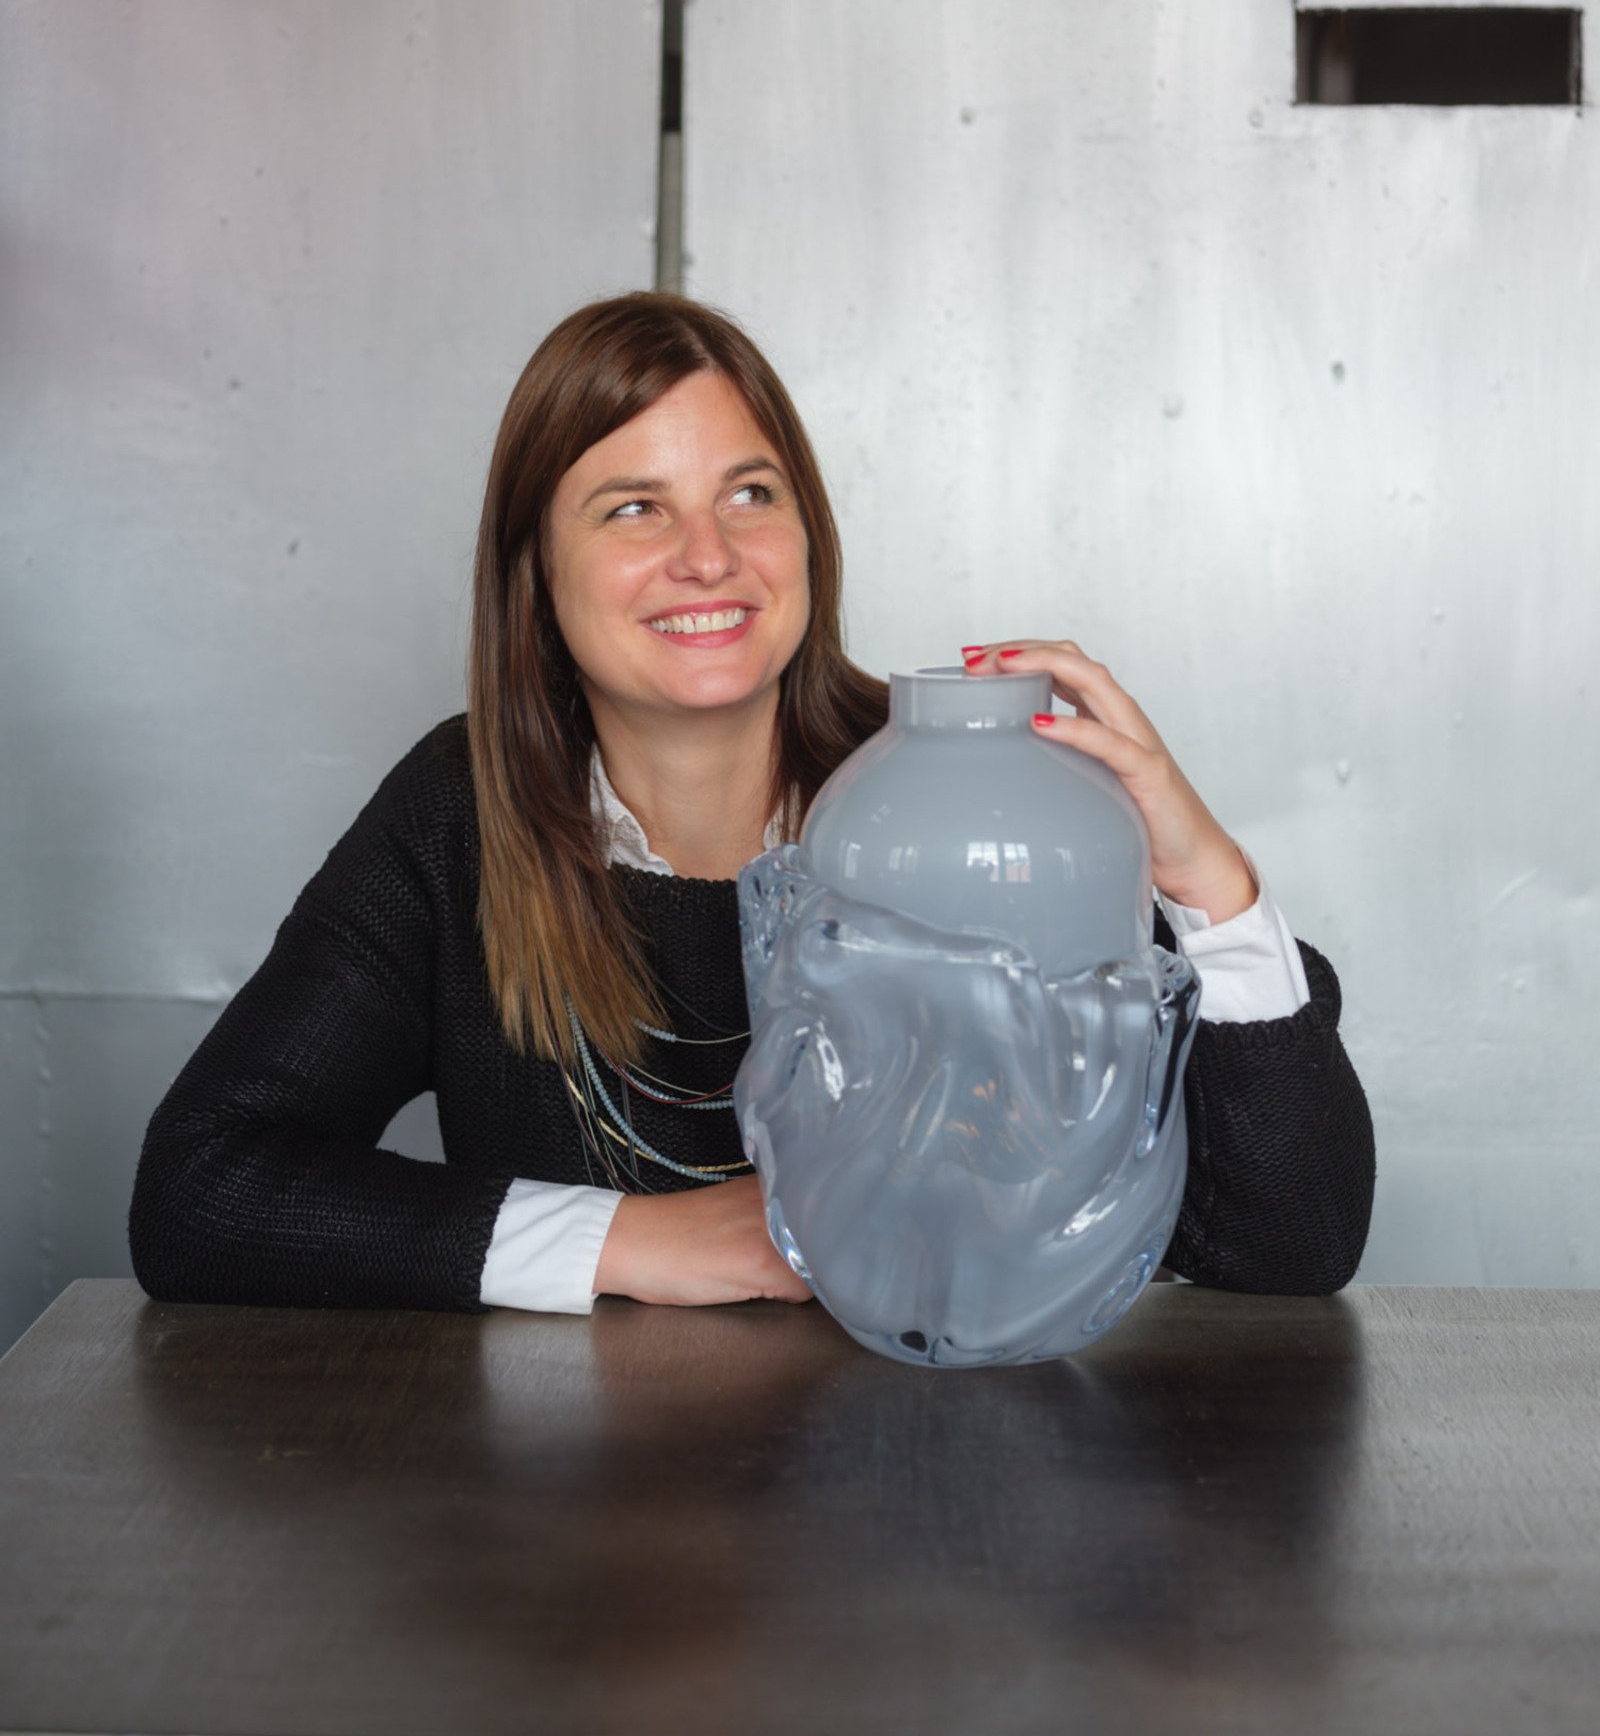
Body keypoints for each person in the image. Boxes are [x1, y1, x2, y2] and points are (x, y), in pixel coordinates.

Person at [128, 292, 1374, 1317]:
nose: (708, 556)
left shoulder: (958, 803)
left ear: (807, 534)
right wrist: (633, 1241)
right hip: (574, 1517)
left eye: (749, 494)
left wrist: (1206, 882)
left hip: (936, 1496)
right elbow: (202, 1191)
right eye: (634, 508)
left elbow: (1288, 1242)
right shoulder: (461, 810)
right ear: (536, 574)